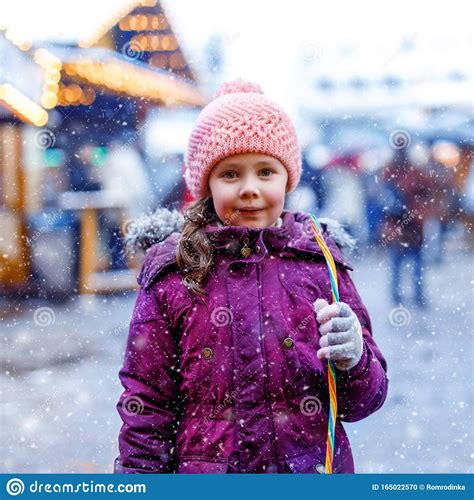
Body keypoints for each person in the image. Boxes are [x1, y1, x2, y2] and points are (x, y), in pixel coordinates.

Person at [114, 80, 388, 474]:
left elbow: (364, 402)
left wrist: (355, 359)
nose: (249, 189)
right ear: (206, 184)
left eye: (265, 171)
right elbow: (147, 400)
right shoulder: (174, 275)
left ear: (288, 178)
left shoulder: (321, 265)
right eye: (230, 174)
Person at [380, 146, 434, 307]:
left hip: (402, 225)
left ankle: (401, 294)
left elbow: (384, 200)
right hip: (408, 225)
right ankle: (414, 295)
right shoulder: (413, 172)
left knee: (401, 262)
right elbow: (428, 189)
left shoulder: (391, 171)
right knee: (412, 262)